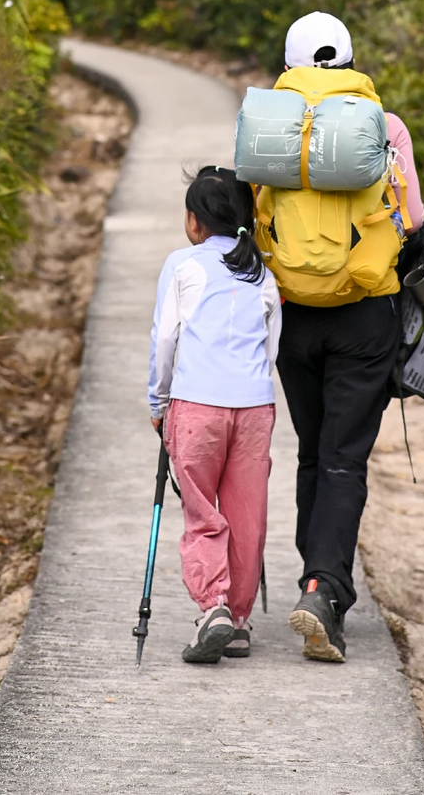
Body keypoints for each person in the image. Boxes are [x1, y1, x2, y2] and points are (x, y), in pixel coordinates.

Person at [272, 11, 424, 663]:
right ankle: (324, 588)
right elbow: (412, 219)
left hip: (292, 313)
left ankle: (317, 578)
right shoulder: (384, 126)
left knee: (313, 448)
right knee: (342, 456)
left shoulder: (272, 123)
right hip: (365, 314)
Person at [147, 166, 282, 664]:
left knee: (202, 511)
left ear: (194, 222)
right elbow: (271, 351)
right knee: (248, 513)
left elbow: (165, 339)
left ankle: (213, 606)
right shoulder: (262, 273)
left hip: (197, 404)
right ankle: (240, 621)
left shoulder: (182, 265)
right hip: (253, 406)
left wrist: (159, 402)